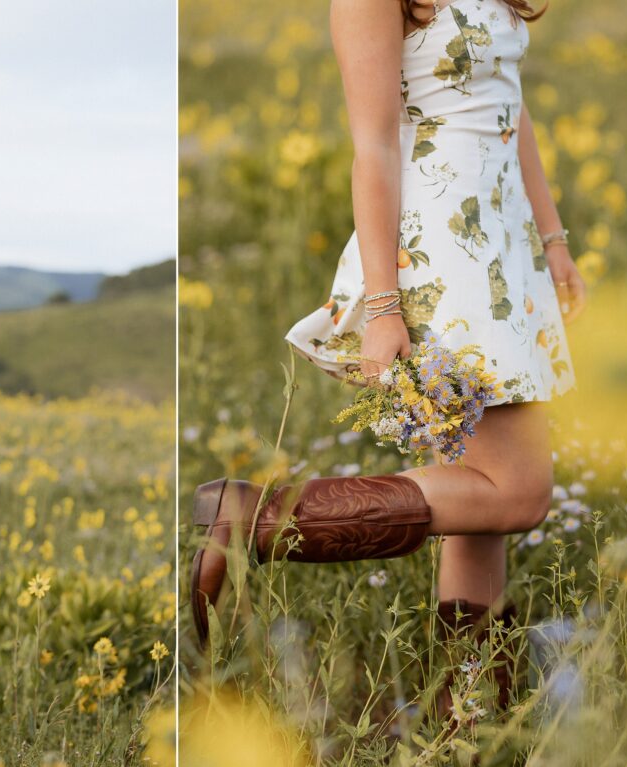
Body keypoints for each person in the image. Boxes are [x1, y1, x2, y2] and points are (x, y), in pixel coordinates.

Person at [190, 0, 586, 716]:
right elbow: (371, 145)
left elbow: (508, 102)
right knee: (519, 490)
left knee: (481, 499)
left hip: (503, 247)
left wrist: (552, 239)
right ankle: (256, 518)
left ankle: (469, 718)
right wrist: (382, 306)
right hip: (444, 252)